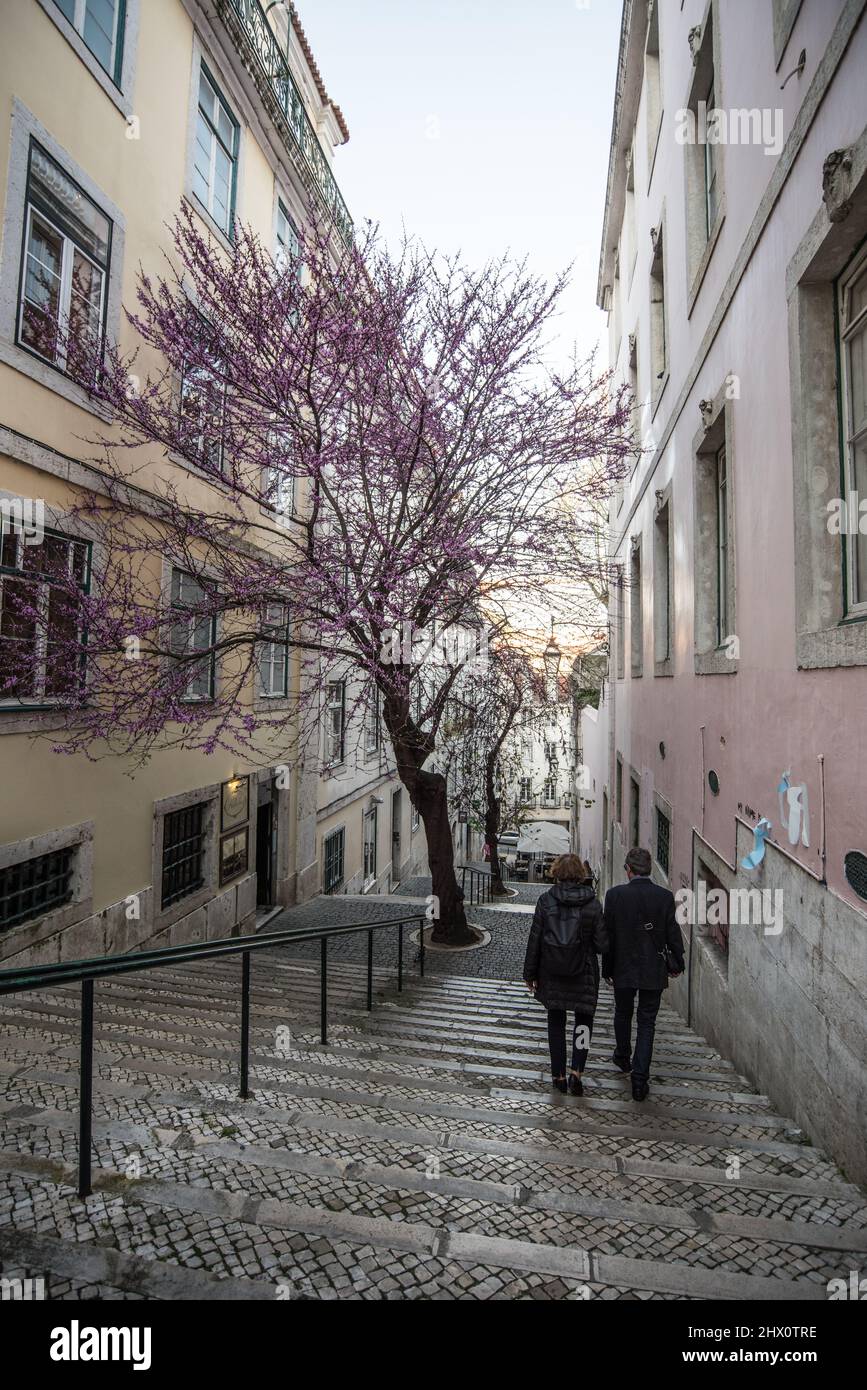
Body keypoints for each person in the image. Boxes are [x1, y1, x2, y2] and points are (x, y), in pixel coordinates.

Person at [602, 846, 685, 1102]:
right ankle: (640, 1080)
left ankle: (622, 1057)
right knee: (647, 1022)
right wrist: (677, 963)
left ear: (628, 870)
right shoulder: (664, 897)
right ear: (648, 870)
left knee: (623, 1013)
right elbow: (673, 933)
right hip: (653, 969)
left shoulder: (614, 896)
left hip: (623, 967)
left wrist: (607, 969)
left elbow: (608, 937)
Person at [523, 854, 605, 1096]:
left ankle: (558, 1075)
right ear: (580, 874)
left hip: (552, 972)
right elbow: (602, 945)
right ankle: (576, 1072)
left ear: (556, 873)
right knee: (584, 1023)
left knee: (556, 1022)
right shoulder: (593, 904)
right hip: (584, 972)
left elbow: (535, 940)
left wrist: (530, 974)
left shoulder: (546, 901)